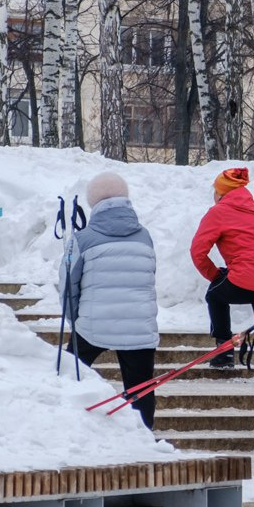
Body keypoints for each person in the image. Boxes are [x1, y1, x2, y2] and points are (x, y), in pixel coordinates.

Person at [62, 172, 162, 429]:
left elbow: (68, 287)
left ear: (93, 203)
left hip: (92, 326)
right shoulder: (144, 236)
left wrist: (75, 320)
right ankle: (144, 436)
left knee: (67, 375)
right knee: (141, 388)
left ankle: (67, 425)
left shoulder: (81, 239)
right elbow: (149, 278)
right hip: (139, 328)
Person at [189, 167, 254, 368]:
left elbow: (197, 251)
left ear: (221, 192)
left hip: (243, 279)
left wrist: (214, 275)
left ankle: (224, 351)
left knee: (215, 294)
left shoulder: (218, 212)